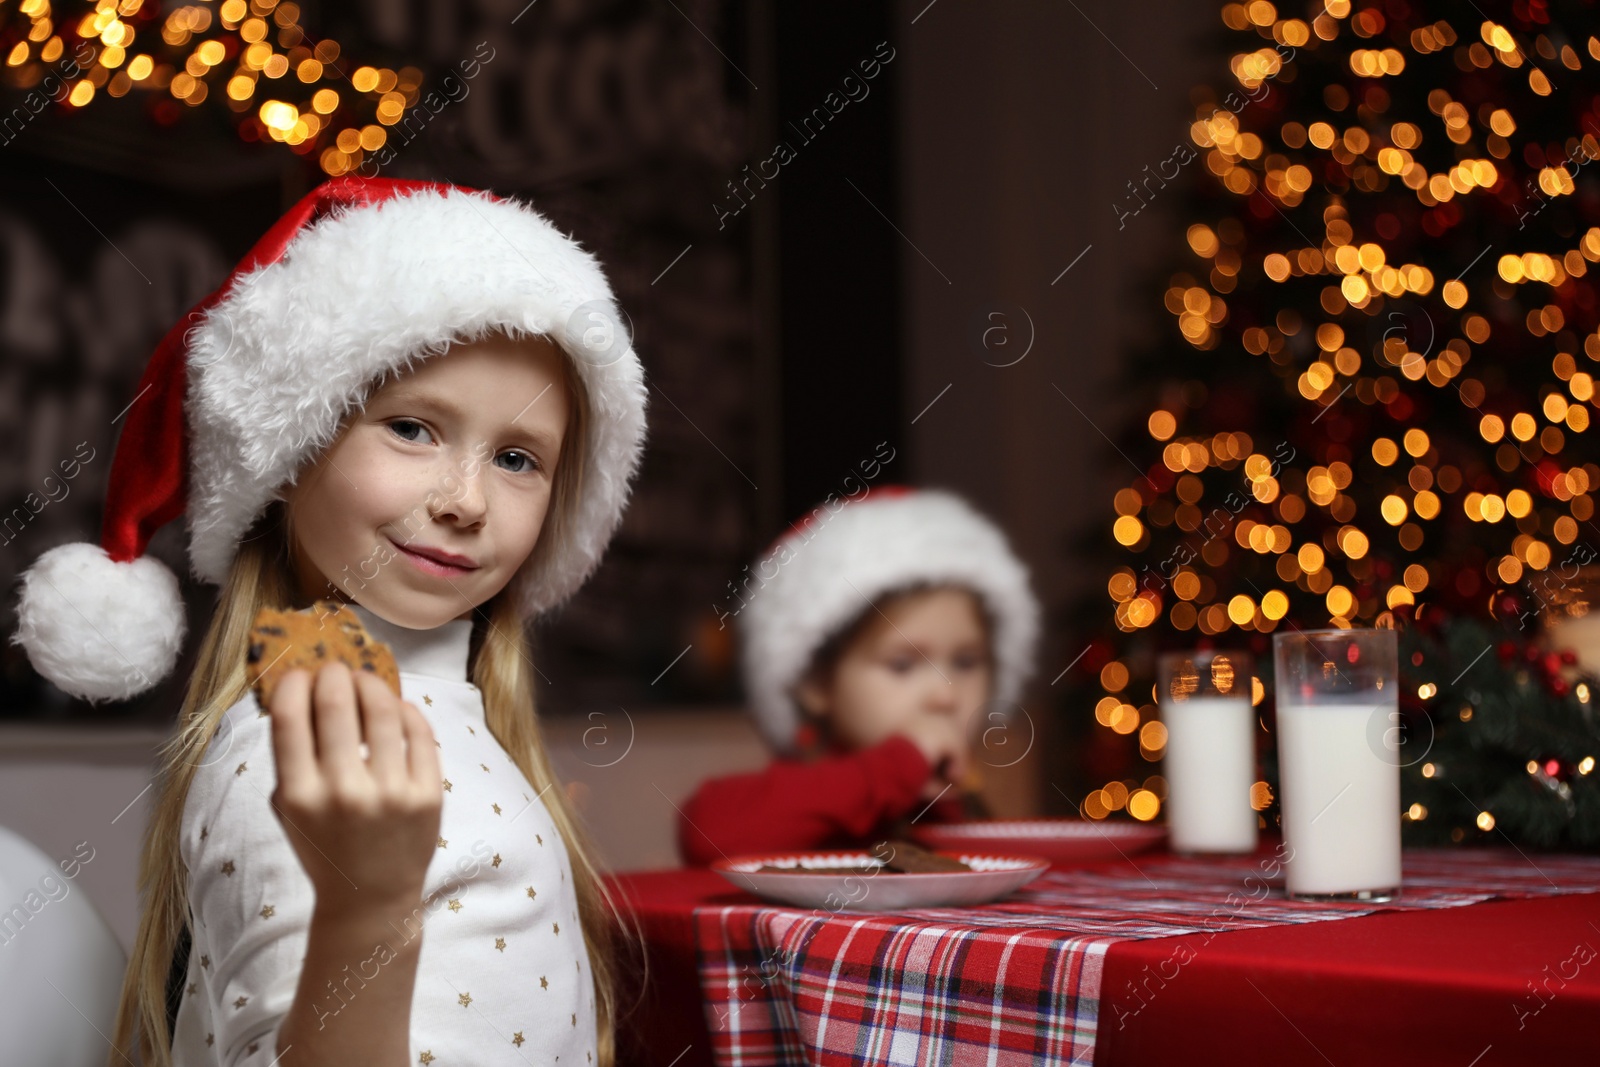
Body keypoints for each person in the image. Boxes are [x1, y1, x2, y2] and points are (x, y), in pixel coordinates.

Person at [10, 178, 648, 1066]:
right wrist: (369, 908)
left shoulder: (449, 715)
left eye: (515, 457)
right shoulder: (296, 749)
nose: (465, 500)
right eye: (413, 429)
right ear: (288, 452)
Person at [677, 487, 1040, 866]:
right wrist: (896, 767)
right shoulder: (801, 793)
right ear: (817, 684)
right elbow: (705, 835)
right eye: (902, 665)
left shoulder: (950, 800)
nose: (946, 696)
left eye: (965, 663)